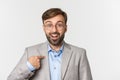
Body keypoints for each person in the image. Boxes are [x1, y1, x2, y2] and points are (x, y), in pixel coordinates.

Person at [7, 8, 93, 80]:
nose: (54, 30)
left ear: (65, 28)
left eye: (59, 25)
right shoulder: (30, 52)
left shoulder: (79, 54)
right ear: (44, 28)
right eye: (49, 25)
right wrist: (29, 67)